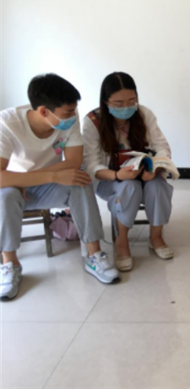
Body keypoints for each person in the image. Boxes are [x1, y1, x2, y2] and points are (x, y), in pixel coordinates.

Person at [0, 74, 119, 301]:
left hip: (41, 183)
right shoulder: (7, 123)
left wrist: (35, 179)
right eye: (67, 112)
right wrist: (34, 178)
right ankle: (9, 263)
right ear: (44, 111)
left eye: (74, 110)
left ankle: (94, 254)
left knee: (80, 180)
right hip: (15, 186)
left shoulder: (68, 120)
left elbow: (73, 162)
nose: (73, 116)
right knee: (5, 195)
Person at [83, 72, 174, 272]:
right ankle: (121, 242)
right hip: (110, 178)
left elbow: (161, 146)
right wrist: (117, 175)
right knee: (129, 187)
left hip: (143, 172)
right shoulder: (93, 121)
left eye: (131, 101)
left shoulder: (143, 114)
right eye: (118, 103)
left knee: (158, 186)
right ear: (105, 102)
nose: (126, 107)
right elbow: (91, 164)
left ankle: (156, 237)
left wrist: (155, 168)